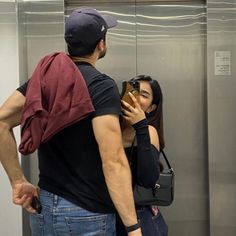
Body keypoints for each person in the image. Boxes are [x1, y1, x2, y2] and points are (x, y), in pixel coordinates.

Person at [0, 8, 142, 235]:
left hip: (44, 209)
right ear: (101, 44)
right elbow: (113, 161)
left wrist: (18, 181)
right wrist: (133, 226)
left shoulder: (44, 80)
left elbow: (1, 122)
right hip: (87, 215)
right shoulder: (101, 86)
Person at [117, 75, 168, 235]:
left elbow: (148, 179)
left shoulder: (149, 132)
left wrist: (141, 127)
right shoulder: (111, 128)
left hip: (141, 218)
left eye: (144, 95)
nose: (136, 98)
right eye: (133, 91)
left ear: (151, 108)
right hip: (112, 216)